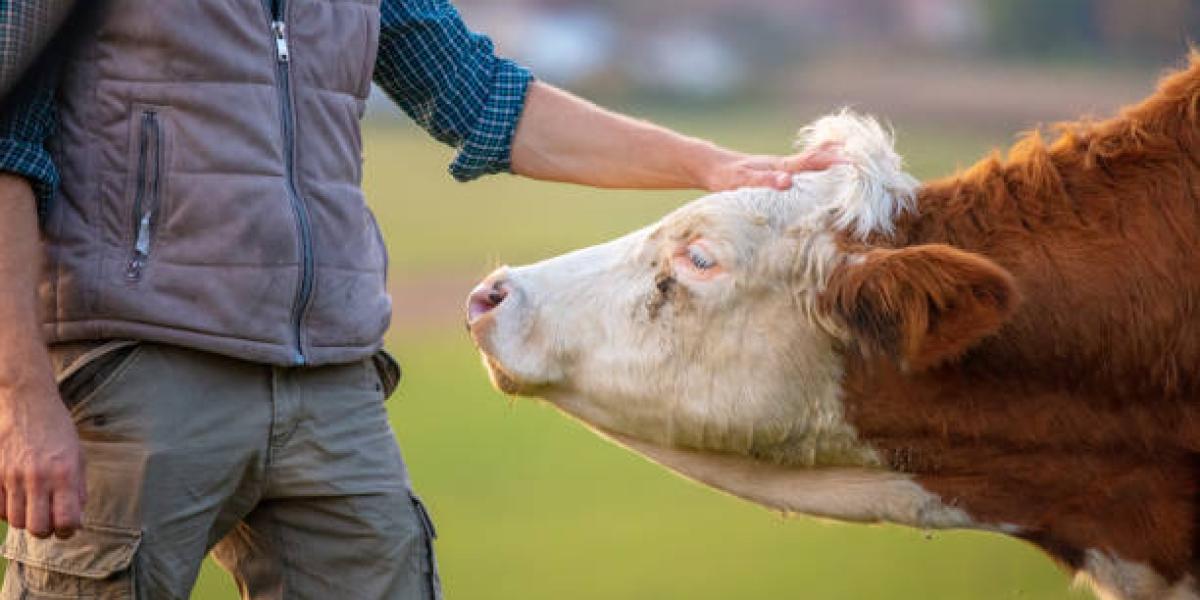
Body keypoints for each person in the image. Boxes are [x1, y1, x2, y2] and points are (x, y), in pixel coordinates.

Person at [0, 1, 837, 598]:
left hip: (330, 382)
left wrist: (708, 166)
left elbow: (483, 98)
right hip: (141, 370)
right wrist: (23, 399)